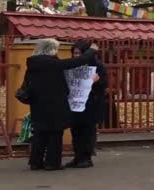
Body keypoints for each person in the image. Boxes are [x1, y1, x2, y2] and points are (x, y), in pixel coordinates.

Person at [26, 38, 98, 171]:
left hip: (37, 104)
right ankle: (52, 163)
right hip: (54, 103)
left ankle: (35, 162)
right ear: (51, 49)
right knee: (55, 133)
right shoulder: (52, 63)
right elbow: (77, 61)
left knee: (39, 133)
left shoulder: (32, 63)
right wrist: (91, 51)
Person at [66, 41, 108, 168]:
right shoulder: (72, 65)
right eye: (74, 53)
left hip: (91, 104)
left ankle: (86, 158)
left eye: (79, 53)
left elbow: (103, 86)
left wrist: (97, 81)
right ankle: (77, 157)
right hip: (75, 103)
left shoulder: (97, 66)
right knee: (75, 131)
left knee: (88, 131)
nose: (76, 56)